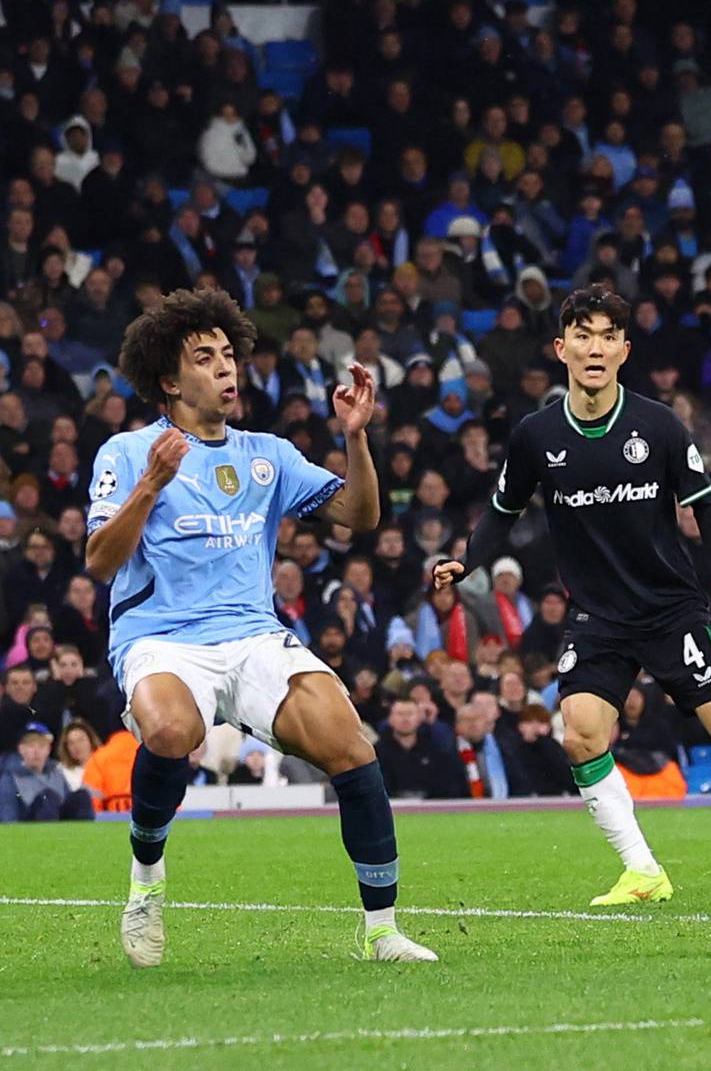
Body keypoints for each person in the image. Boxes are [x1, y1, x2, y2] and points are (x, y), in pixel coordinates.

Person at [435, 286, 711, 906]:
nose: (595, 347)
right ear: (561, 349)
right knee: (579, 734)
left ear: (625, 350)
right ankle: (644, 870)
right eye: (583, 334)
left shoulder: (657, 425)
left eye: (608, 335)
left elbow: (708, 514)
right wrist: (466, 559)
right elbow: (501, 512)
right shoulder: (536, 434)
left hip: (668, 607)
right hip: (597, 615)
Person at [88, 288, 434, 965]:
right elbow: (101, 560)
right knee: (169, 731)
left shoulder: (267, 454)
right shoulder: (128, 451)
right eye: (204, 357)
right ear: (169, 379)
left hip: (252, 636)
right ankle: (147, 878)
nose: (226, 368)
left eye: (228, 355)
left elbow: (361, 517)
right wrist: (151, 484)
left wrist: (355, 436)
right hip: (161, 638)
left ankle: (382, 930)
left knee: (351, 746)